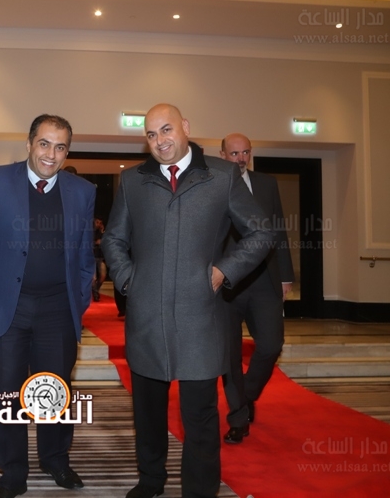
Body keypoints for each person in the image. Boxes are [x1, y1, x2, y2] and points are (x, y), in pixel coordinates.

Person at [101, 104, 273, 498]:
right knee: (147, 412)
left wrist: (224, 270)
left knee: (199, 415)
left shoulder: (222, 175)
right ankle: (151, 480)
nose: (159, 140)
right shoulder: (133, 181)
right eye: (151, 134)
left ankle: (199, 491)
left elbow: (261, 232)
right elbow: (113, 239)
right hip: (146, 317)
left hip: (201, 317)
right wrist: (128, 279)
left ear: (185, 128)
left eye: (166, 130)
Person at [0, 114, 96, 498]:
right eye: (44, 144)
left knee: (54, 389)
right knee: (7, 392)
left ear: (67, 152)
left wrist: (80, 302)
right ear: (29, 144)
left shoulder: (82, 191)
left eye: (60, 147)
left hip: (58, 308)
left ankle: (55, 458)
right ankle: (12, 471)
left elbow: (85, 255)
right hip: (7, 304)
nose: (51, 154)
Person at [219, 133, 294, 444]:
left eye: (245, 153)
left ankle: (246, 395)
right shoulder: (212, 184)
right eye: (234, 153)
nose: (240, 158)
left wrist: (285, 275)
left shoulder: (266, 184)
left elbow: (278, 230)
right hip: (225, 284)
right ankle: (238, 418)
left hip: (264, 280)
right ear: (222, 155)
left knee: (271, 345)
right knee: (229, 356)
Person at [92, 218, 106, 301]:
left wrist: (103, 232)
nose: (99, 224)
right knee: (93, 278)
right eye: (97, 222)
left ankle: (95, 290)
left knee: (103, 276)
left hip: (100, 257)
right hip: (92, 257)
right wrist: (95, 242)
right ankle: (95, 294)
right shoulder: (90, 232)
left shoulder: (102, 233)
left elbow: (107, 242)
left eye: (100, 223)